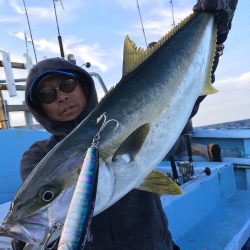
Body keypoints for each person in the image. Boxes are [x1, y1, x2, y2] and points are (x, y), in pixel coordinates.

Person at [12, 1, 238, 249]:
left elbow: (182, 99)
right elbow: (53, 217)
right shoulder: (38, 157)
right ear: (40, 108)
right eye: (47, 95)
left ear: (83, 87)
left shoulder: (127, 108)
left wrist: (217, 33)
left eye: (67, 86)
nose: (61, 97)